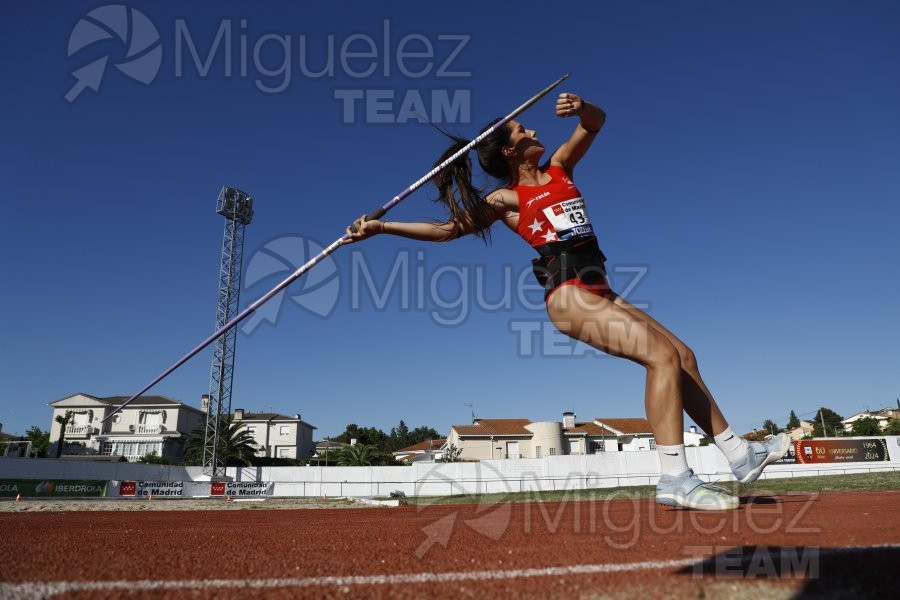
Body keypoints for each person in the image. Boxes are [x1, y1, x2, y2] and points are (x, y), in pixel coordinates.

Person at [346, 92, 790, 510]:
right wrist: (382, 228)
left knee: (683, 356)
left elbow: (596, 122)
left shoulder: (560, 167)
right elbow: (446, 231)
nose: (534, 132)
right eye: (522, 131)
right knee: (660, 358)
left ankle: (739, 454)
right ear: (508, 152)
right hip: (569, 295)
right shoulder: (507, 199)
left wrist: (582, 107)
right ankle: (674, 477)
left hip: (600, 288)